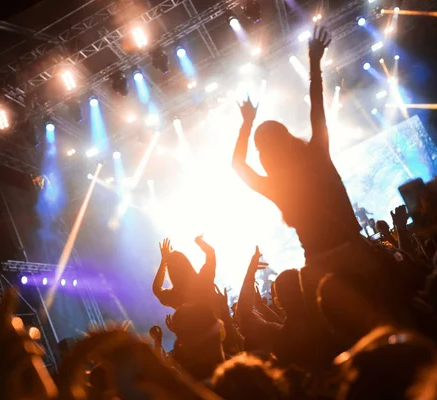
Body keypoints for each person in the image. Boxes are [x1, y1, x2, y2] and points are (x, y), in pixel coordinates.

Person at [231, 26, 362, 260]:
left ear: (263, 156)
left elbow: (238, 165)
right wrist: (314, 64)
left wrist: (247, 123)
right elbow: (317, 109)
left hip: (320, 265)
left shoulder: (275, 186)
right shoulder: (317, 154)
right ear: (288, 138)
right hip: (355, 251)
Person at [152, 236, 216, 309]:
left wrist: (164, 261)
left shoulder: (176, 298)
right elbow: (211, 252)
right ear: (188, 264)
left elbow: (157, 289)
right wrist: (199, 241)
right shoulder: (204, 281)